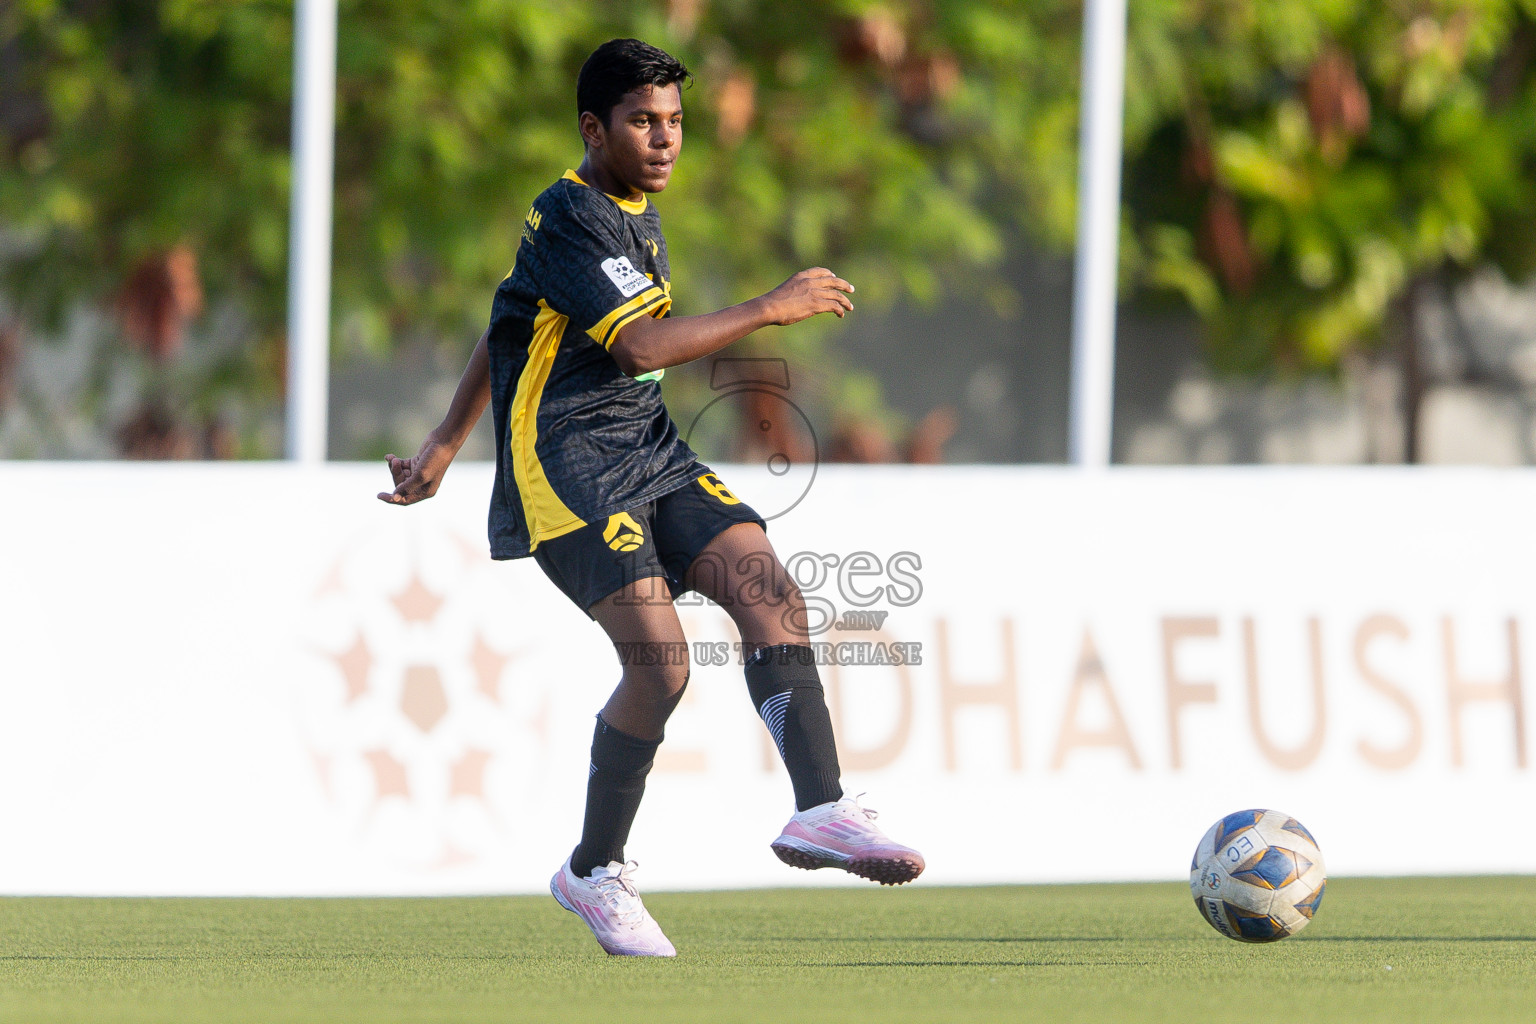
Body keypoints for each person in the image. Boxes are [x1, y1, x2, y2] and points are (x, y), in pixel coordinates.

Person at [378, 38, 923, 958]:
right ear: (595, 128)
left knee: (767, 587)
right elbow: (638, 349)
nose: (665, 139)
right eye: (643, 121)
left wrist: (442, 439)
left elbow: (507, 316)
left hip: (648, 449)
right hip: (567, 469)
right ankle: (594, 870)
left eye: (673, 121)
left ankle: (821, 808)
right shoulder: (571, 216)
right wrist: (767, 307)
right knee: (661, 665)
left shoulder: (631, 210)